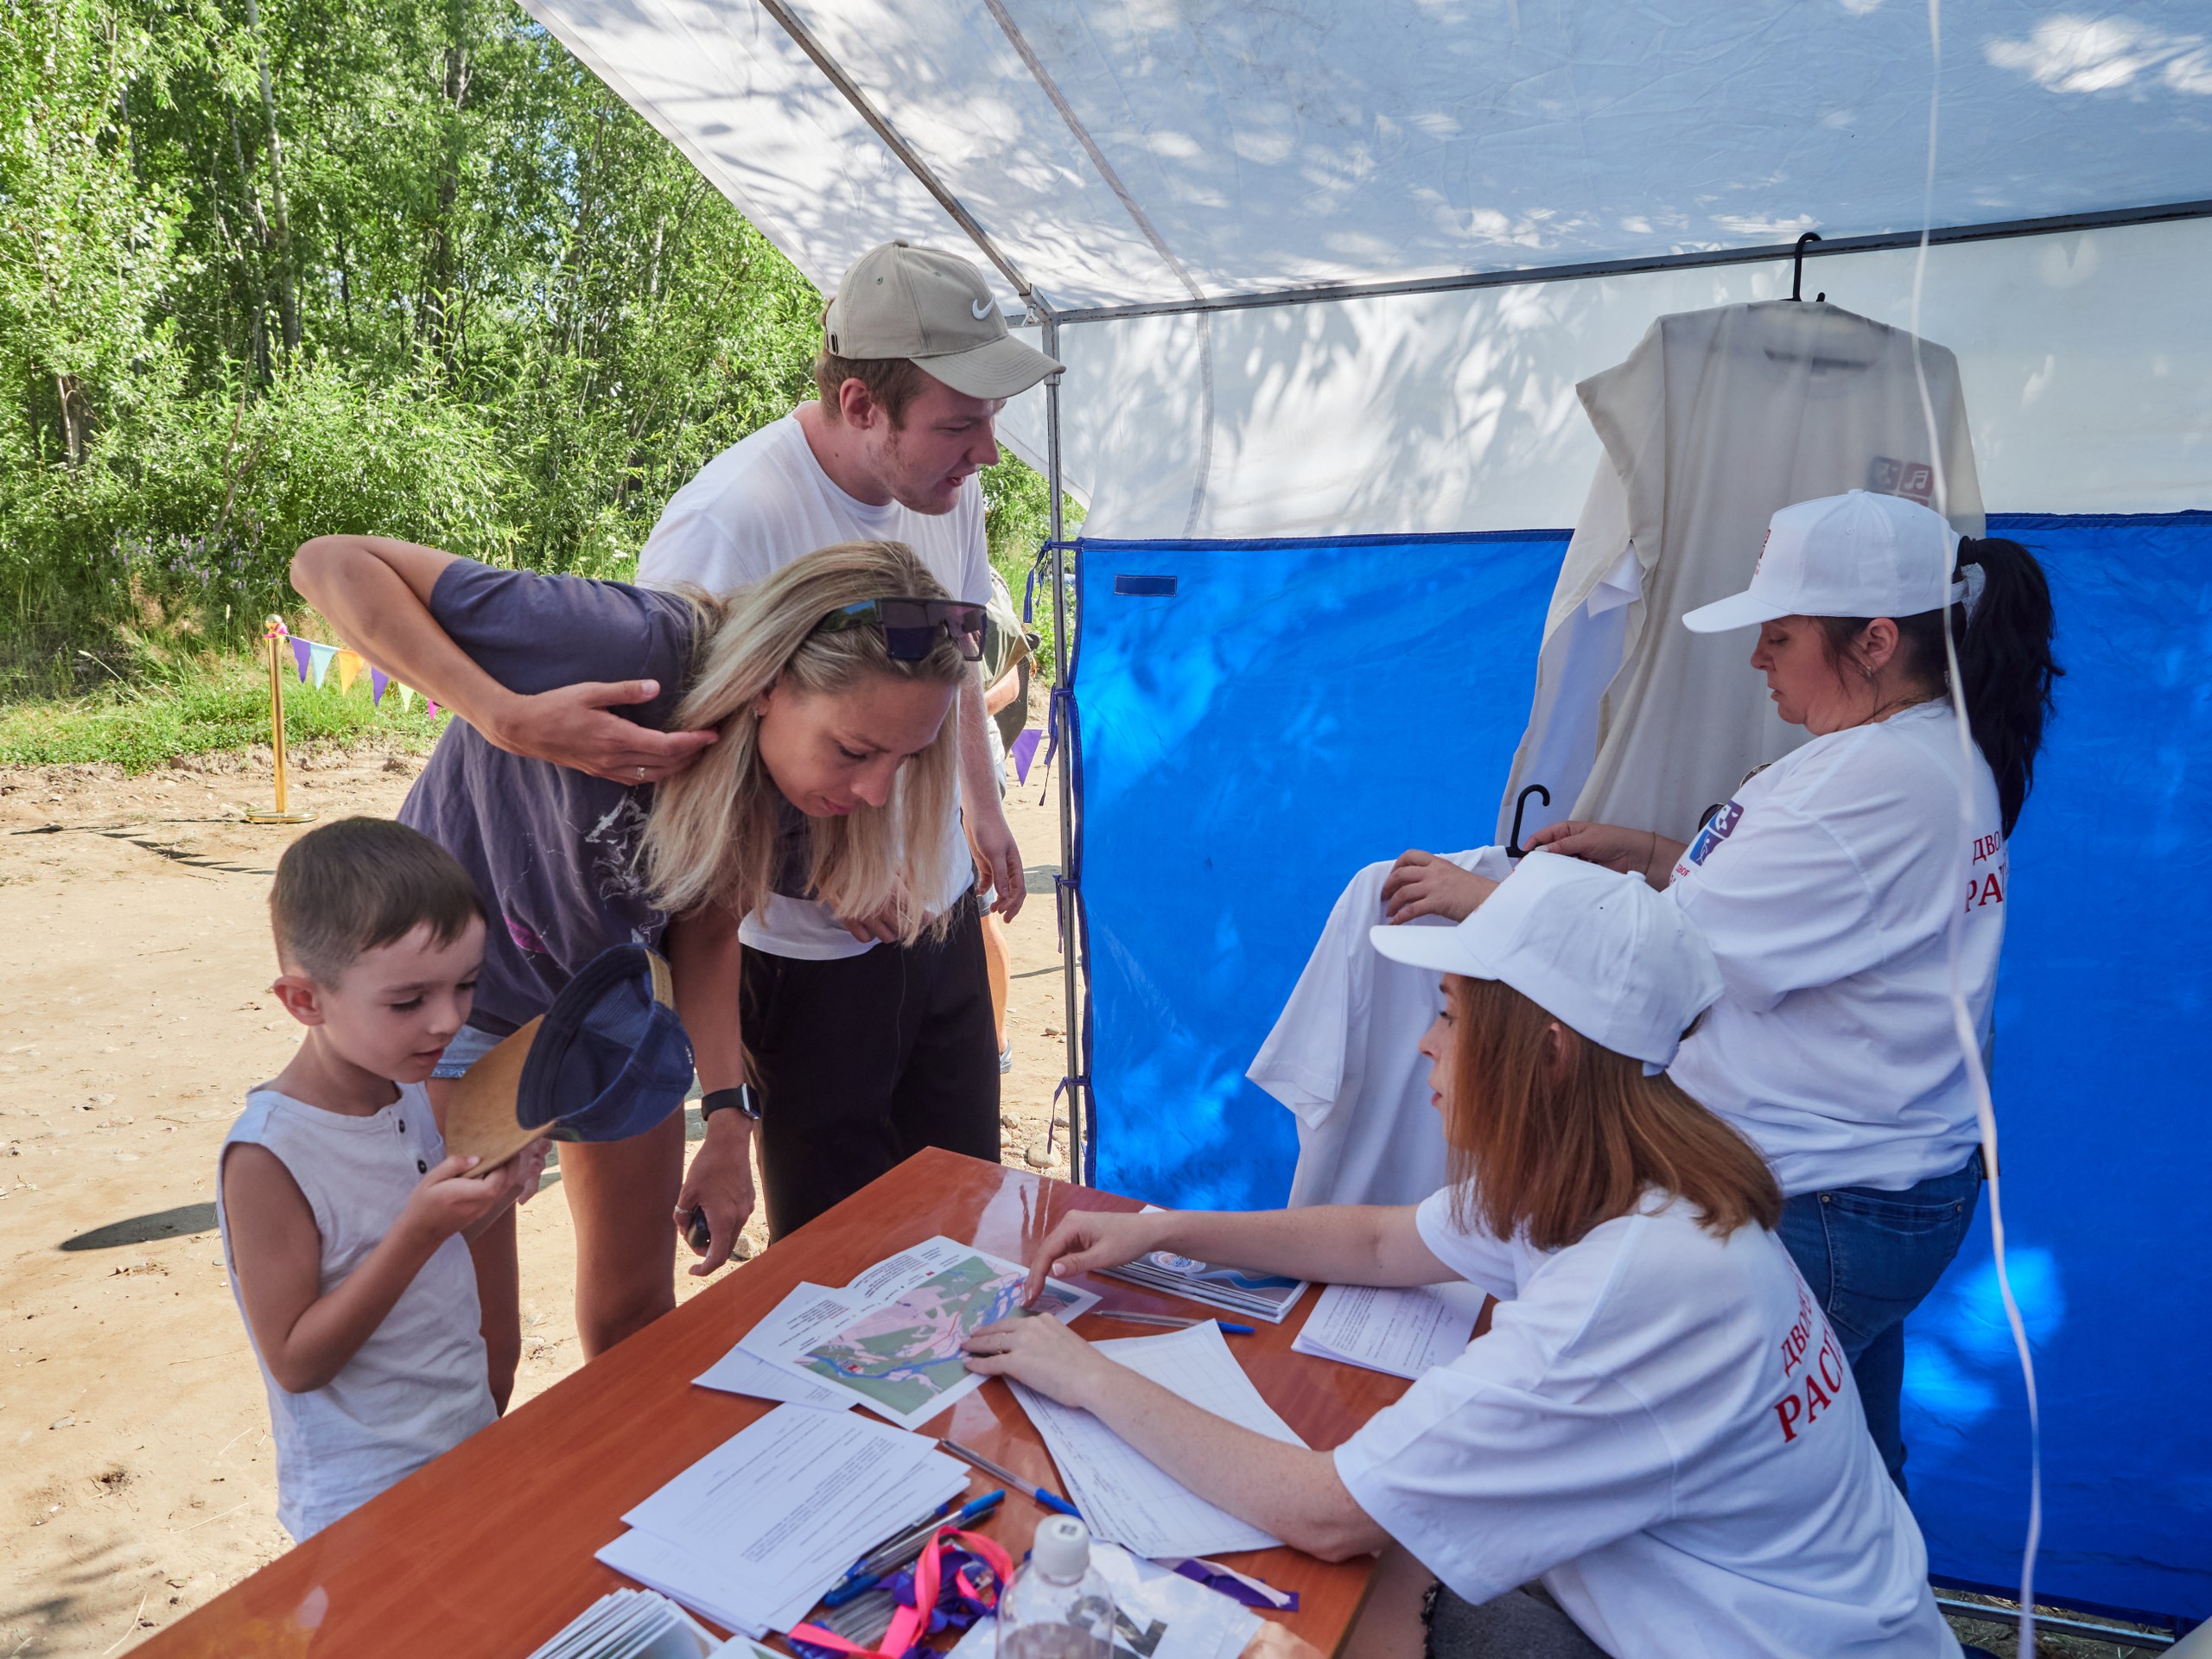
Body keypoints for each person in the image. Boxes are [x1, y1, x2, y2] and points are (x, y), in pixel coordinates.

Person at [966, 855, 1957, 1659]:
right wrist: (1166, 1231)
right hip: (1703, 1614)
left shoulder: (1631, 1284)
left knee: (1336, 1599)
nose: (1426, 1046)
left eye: (1448, 1011)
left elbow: (1328, 1512)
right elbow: (1383, 1239)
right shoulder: (1629, 1173)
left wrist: (1084, 1373)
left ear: (1549, 1051)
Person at [289, 533, 982, 1406]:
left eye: (904, 759)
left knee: (636, 1323)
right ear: (768, 684)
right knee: (475, 1352)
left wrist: (727, 1123)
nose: (875, 792)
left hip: (613, 1019)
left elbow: (709, 930)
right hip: (454, 1012)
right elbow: (328, 565)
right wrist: (505, 716)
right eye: (854, 750)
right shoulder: (629, 647)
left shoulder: (805, 791)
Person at [1503, 489, 2058, 1492]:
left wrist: (1492, 906)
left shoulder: (1875, 781)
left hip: (1824, 1198)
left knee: (1719, 1480)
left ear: (1875, 640)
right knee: (1849, 1462)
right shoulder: (1913, 752)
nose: (1757, 655)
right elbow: (1816, 909)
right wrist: (1649, 853)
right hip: (1869, 1186)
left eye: (1781, 633)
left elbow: (1671, 962)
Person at [638, 240, 1058, 1179]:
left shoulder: (947, 487)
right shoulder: (730, 522)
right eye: (960, 425)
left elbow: (955, 657)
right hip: (807, 952)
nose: (986, 452)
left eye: (990, 421)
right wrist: (824, 877)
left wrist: (981, 805)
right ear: (863, 405)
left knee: (963, 1195)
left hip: (940, 910)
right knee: (841, 1234)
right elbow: (681, 767)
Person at [218, 817, 543, 1540]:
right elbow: (297, 1362)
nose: (448, 1021)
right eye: (408, 1002)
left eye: (466, 986)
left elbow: (429, 1257)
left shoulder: (405, 1090)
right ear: (305, 1001)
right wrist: (419, 1231)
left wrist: (495, 1194)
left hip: (461, 1440)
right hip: (361, 1500)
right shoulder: (270, 1156)